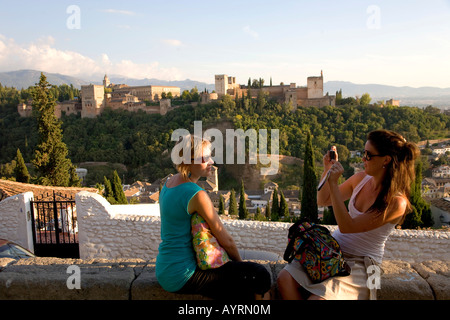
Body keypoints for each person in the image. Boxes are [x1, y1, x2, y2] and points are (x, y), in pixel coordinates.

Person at [277, 129, 420, 300]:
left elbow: (347, 227)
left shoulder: (396, 202)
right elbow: (323, 200)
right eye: (363, 153)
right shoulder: (360, 179)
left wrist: (334, 183)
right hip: (334, 250)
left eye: (368, 155)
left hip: (365, 263)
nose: (363, 159)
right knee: (284, 279)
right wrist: (327, 171)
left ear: (386, 160)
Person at [156, 134, 271, 300]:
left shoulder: (168, 183)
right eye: (206, 158)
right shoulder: (196, 194)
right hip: (184, 274)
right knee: (259, 275)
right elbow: (226, 240)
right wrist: (239, 265)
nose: (211, 162)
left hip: (165, 268)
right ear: (189, 161)